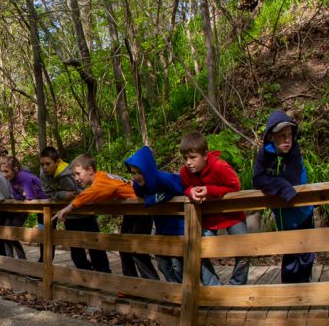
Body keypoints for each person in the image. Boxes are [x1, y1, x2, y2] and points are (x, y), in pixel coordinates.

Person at [52, 154, 159, 280]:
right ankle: (130, 285)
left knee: (136, 250)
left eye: (78, 174)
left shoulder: (101, 180)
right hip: (132, 211)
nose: (76, 178)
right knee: (124, 248)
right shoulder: (102, 178)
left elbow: (89, 194)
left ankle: (152, 284)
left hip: (142, 210)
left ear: (90, 170)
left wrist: (69, 207)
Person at [125, 146, 221, 285]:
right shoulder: (138, 185)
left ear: (147, 170)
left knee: (190, 262)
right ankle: (177, 292)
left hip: (180, 226)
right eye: (133, 173)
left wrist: (158, 198)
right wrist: (150, 199)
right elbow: (142, 197)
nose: (137, 176)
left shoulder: (165, 179)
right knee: (163, 263)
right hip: (162, 228)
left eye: (140, 172)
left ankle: (214, 288)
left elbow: (185, 189)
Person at [252, 111, 316, 283]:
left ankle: (305, 290)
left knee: (306, 254)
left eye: (289, 135)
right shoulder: (265, 154)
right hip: (284, 215)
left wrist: (274, 182)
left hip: (303, 211)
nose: (287, 140)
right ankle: (289, 293)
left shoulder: (294, 151)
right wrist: (280, 185)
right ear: (272, 137)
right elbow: (257, 179)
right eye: (282, 136)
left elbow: (293, 179)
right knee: (290, 255)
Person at [179, 131, 250, 285]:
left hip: (232, 215)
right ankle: (215, 288)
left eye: (193, 157)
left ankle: (236, 286)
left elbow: (235, 186)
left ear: (205, 155)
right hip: (208, 218)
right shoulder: (184, 172)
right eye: (185, 158)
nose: (188, 162)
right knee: (197, 251)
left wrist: (209, 191)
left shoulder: (219, 166)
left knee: (245, 249)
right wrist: (189, 191)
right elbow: (183, 187)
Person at [39, 147, 110, 273]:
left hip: (86, 214)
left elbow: (82, 191)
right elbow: (48, 193)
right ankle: (86, 274)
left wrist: (72, 196)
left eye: (48, 164)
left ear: (57, 162)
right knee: (76, 251)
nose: (44, 167)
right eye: (42, 164)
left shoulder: (70, 173)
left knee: (95, 246)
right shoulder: (44, 176)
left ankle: (104, 273)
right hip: (69, 216)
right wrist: (62, 194)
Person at [0, 156, 45, 259]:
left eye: (6, 171)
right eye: (2, 171)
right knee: (7, 231)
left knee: (44, 234)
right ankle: (13, 258)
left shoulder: (23, 177)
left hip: (44, 205)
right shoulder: (12, 179)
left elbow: (30, 196)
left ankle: (39, 260)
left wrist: (25, 195)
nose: (4, 175)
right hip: (32, 206)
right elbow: (16, 195)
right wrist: (23, 195)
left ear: (15, 169)